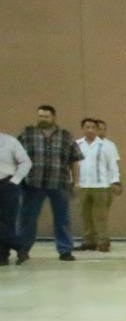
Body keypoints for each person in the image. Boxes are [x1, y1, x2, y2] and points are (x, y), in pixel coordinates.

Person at [16, 103, 82, 262]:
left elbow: (74, 160)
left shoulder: (66, 136)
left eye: (46, 116)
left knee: (62, 219)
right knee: (27, 219)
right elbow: (16, 157)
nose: (42, 119)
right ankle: (23, 250)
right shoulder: (27, 134)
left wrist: (76, 182)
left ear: (53, 117)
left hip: (59, 184)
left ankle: (65, 250)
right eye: (40, 116)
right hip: (33, 183)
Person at [76, 117, 121, 252]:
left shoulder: (105, 146)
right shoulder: (77, 145)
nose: (90, 130)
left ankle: (103, 241)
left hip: (101, 186)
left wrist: (115, 181)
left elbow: (113, 165)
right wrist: (73, 181)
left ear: (96, 129)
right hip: (83, 185)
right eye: (87, 127)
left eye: (93, 127)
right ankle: (89, 241)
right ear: (82, 129)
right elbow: (73, 164)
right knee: (85, 215)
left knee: (100, 216)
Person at [0, 125, 32, 265]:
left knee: (8, 221)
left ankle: (3, 256)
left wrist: (15, 180)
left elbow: (26, 162)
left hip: (7, 184)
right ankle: (20, 246)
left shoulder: (10, 142)